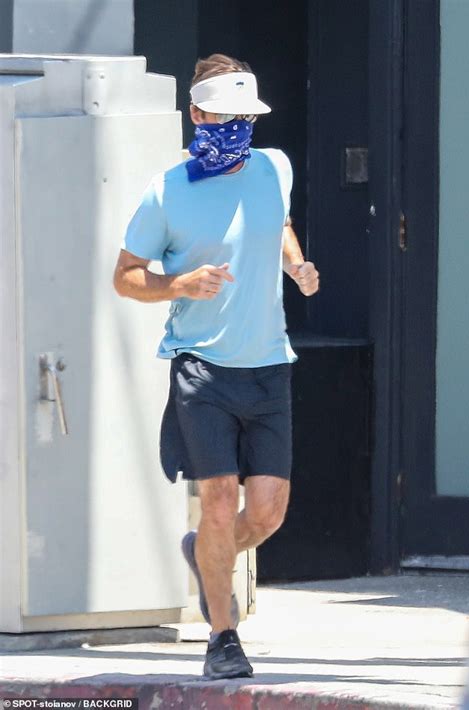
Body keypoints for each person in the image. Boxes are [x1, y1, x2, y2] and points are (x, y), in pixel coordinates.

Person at [113, 53, 319, 680]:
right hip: (201, 369)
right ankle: (222, 639)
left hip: (269, 366)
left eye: (246, 116)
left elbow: (278, 223)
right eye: (223, 116)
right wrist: (179, 284)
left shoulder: (273, 167)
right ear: (196, 114)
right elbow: (125, 278)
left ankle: (203, 557)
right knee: (221, 505)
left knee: (267, 514)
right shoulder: (166, 192)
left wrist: (295, 263)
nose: (235, 127)